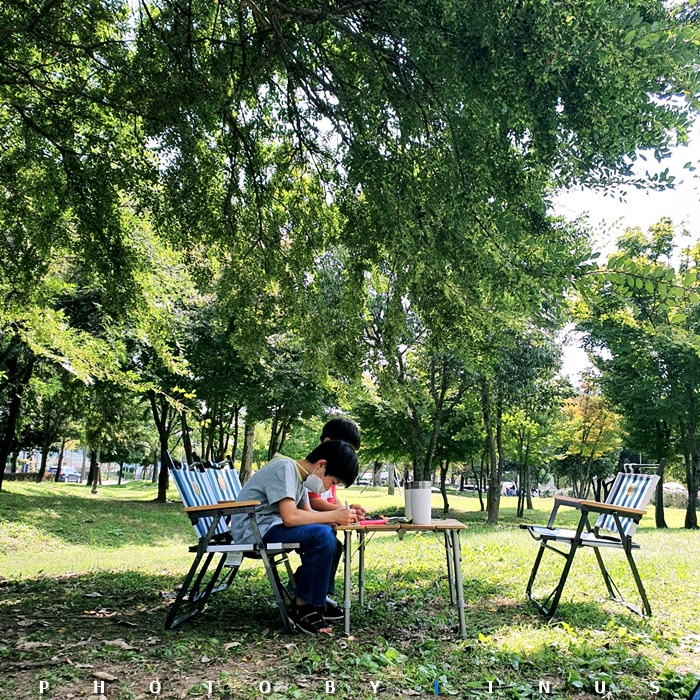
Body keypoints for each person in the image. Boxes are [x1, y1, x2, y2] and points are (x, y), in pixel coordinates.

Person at [230, 440, 359, 635]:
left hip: (270, 527)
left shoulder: (300, 478)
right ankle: (303, 606)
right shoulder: (285, 468)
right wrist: (332, 516)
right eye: (333, 482)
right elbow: (290, 517)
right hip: (254, 530)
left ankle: (316, 600)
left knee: (331, 537)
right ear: (321, 465)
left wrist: (337, 517)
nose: (328, 488)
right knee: (322, 535)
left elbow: (309, 515)